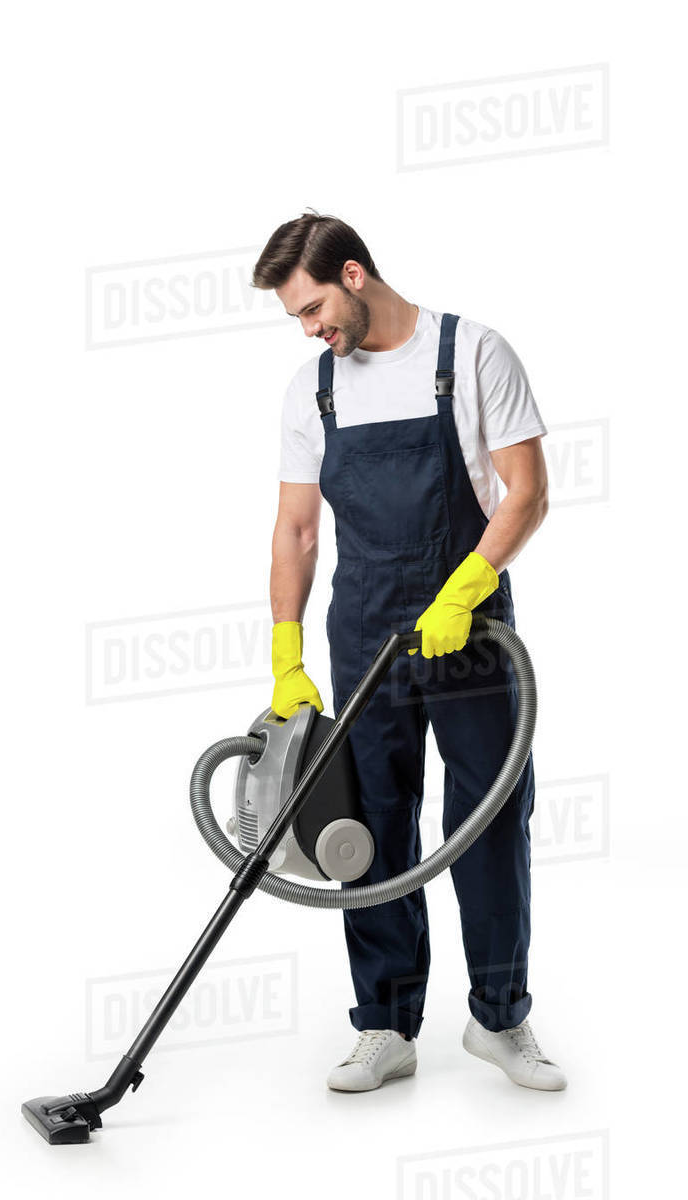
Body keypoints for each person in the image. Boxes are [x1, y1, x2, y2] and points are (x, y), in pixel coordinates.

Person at [251, 211, 567, 1094]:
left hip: (469, 632)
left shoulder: (472, 353)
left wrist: (464, 589)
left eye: (312, 306)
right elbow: (296, 530)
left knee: (491, 821)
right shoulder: (313, 388)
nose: (310, 329)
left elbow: (527, 490)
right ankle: (386, 1025)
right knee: (372, 826)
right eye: (296, 319)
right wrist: (285, 652)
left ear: (353, 274)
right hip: (363, 633)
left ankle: (500, 1019)